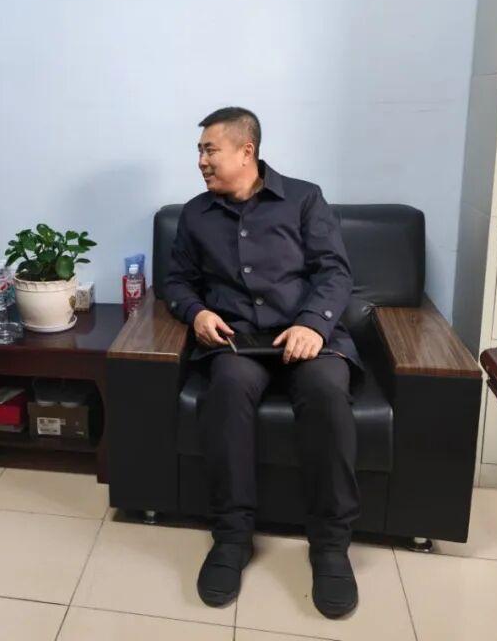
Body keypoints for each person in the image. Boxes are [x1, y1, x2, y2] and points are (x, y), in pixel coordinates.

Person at [162, 107, 361, 618]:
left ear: (246, 151)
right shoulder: (196, 214)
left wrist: (313, 324)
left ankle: (330, 546)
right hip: (238, 341)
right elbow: (177, 282)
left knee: (325, 391)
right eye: (199, 151)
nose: (201, 161)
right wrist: (197, 312)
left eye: (210, 150)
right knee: (227, 388)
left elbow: (335, 273)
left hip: (306, 337)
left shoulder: (304, 198)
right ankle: (231, 538)